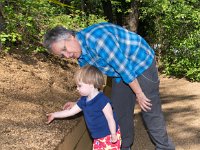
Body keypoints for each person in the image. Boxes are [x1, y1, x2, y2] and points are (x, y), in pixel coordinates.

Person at [43, 22, 175, 150]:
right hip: (120, 72)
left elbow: (125, 69)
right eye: (62, 55)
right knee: (119, 110)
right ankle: (123, 145)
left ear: (70, 37)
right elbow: (91, 83)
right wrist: (79, 102)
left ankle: (164, 146)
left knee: (149, 107)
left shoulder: (98, 39)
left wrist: (139, 94)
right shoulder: (80, 55)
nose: (67, 55)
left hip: (140, 61)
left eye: (64, 49)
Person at [46, 65, 121, 150]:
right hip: (97, 137)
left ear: (91, 84)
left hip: (108, 135)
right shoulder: (83, 100)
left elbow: (110, 118)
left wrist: (113, 134)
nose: (77, 89)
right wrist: (54, 115)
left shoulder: (102, 100)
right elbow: (70, 112)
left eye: (79, 86)